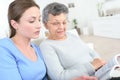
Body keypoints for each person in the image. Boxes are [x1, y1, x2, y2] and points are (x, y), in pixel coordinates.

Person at [40, 2, 106, 80]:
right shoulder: (46, 46)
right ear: (45, 25)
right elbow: (59, 77)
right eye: (55, 23)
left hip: (99, 73)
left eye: (64, 22)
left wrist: (99, 63)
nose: (61, 27)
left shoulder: (71, 35)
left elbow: (90, 52)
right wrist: (92, 66)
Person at [0, 0, 47, 80]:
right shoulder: (3, 48)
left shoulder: (36, 48)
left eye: (39, 20)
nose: (39, 25)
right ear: (15, 24)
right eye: (31, 21)